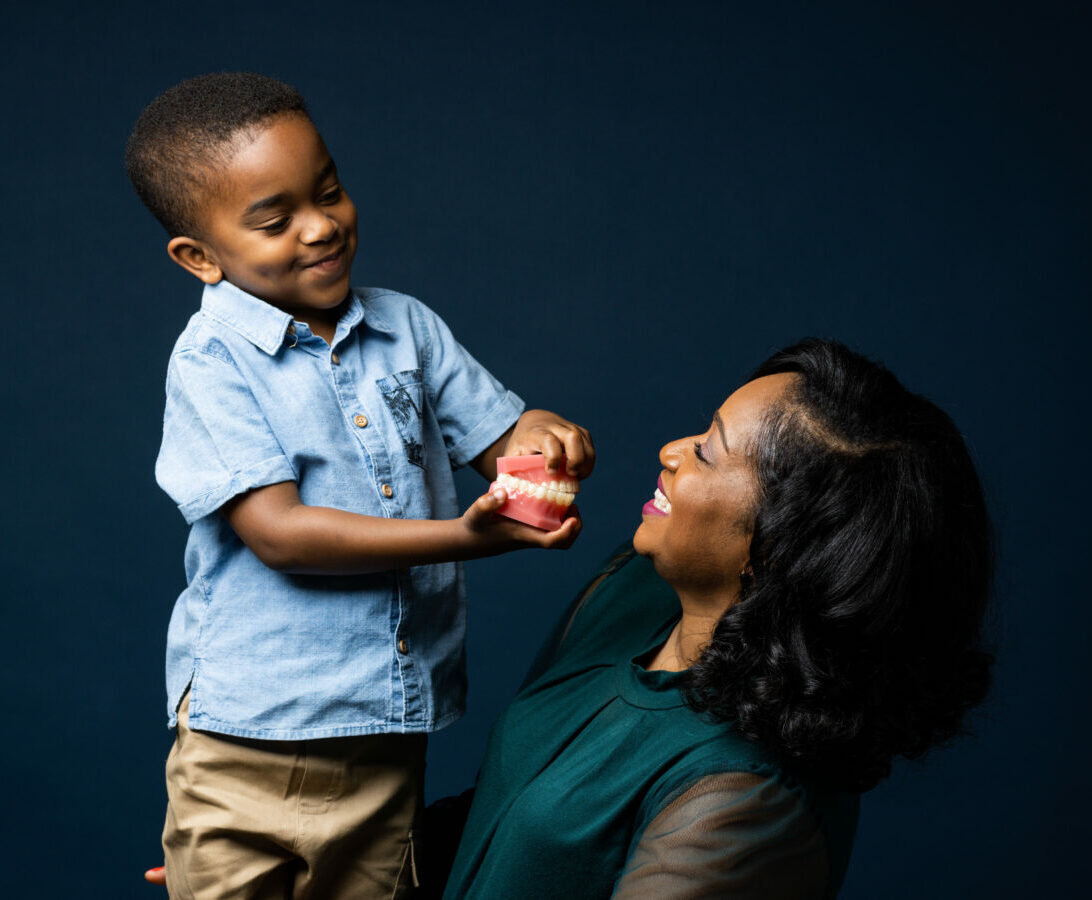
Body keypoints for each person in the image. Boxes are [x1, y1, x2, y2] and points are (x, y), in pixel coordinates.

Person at [126, 72, 594, 900]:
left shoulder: (408, 326)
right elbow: (281, 533)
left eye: (329, 191)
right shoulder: (211, 362)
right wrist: (467, 538)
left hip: (387, 730)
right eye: (274, 221)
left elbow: (497, 438)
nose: (320, 227)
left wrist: (540, 436)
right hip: (249, 738)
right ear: (200, 257)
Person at [433, 338, 993, 898]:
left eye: (707, 452)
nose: (671, 450)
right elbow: (502, 817)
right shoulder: (635, 588)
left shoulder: (743, 795)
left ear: (785, 542)